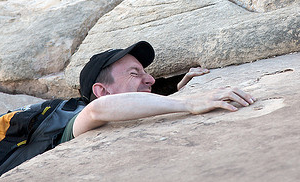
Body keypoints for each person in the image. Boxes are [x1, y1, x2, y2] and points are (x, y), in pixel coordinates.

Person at [60, 41, 255, 143]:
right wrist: (189, 103)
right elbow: (98, 109)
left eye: (145, 72)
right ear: (102, 90)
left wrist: (179, 89)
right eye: (134, 74)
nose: (150, 80)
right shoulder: (77, 123)